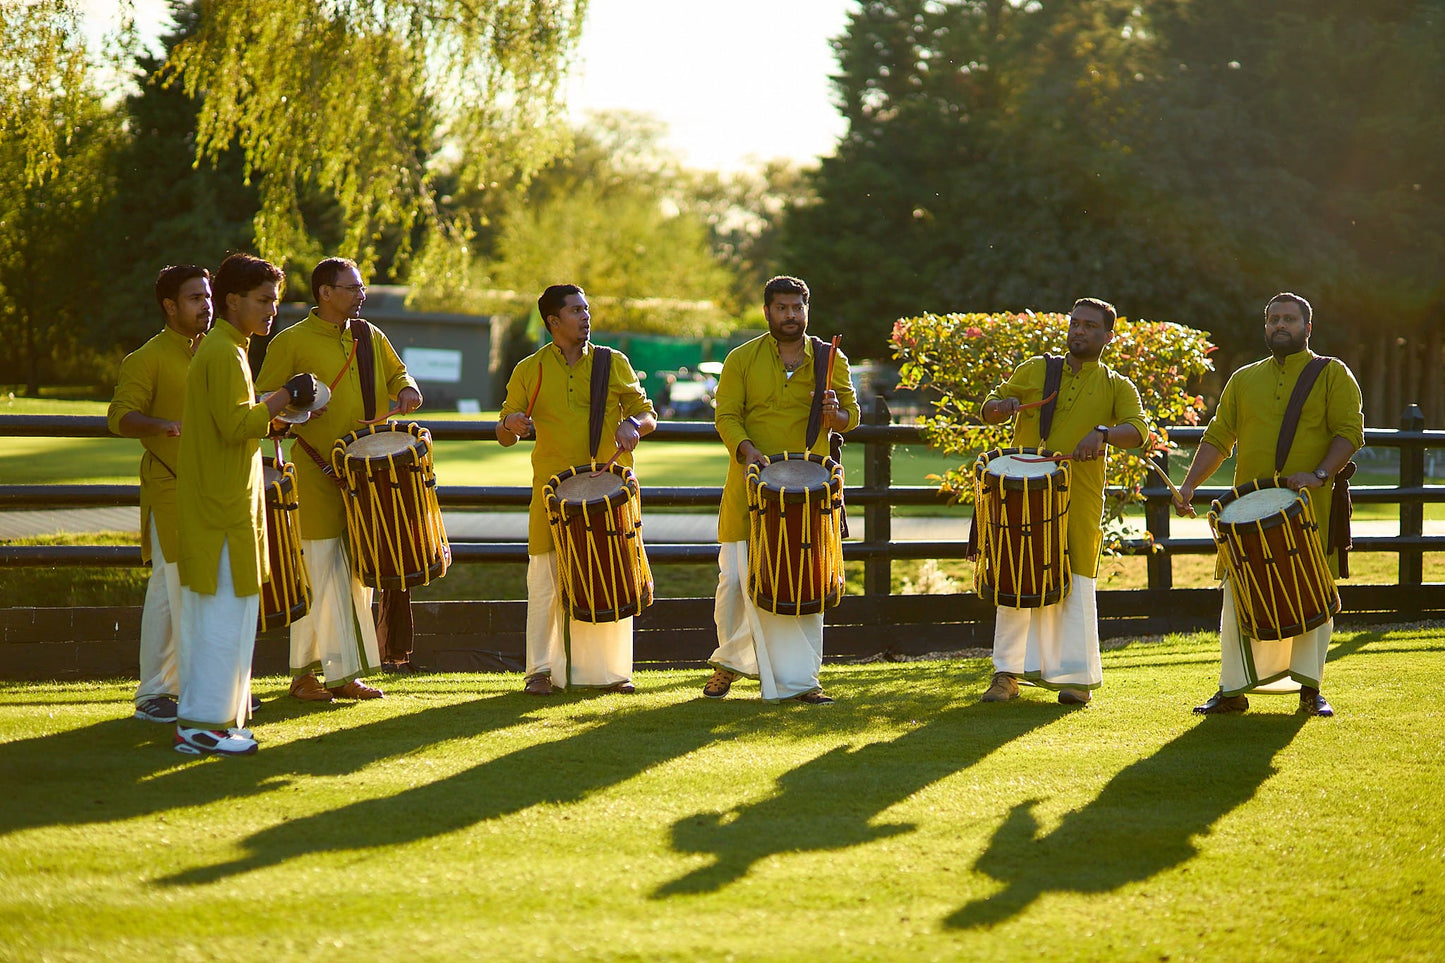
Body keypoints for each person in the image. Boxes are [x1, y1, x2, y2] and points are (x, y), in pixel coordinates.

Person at [1175, 292, 1363, 717]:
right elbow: (1218, 438)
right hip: (1247, 512)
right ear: (1265, 327)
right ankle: (1232, 689)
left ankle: (1310, 691)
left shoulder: (1332, 374)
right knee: (1238, 596)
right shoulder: (1243, 379)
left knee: (1311, 595)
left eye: (1290, 319)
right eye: (1273, 319)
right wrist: (1188, 486)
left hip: (1308, 508)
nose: (1280, 325)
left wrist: (1318, 475)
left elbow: (1350, 432)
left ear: (1307, 327)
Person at [256, 257, 421, 700]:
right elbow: (265, 403)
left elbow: (397, 373)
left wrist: (405, 388)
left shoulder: (370, 336)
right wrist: (297, 410)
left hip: (366, 476)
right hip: (313, 472)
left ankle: (346, 676)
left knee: (354, 576)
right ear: (325, 292)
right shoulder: (290, 341)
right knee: (317, 571)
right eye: (352, 288)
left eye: (361, 287)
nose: (361, 295)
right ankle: (305, 675)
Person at [174, 253, 315, 755]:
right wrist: (283, 396)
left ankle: (217, 721)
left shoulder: (229, 348)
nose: (272, 309)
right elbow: (237, 426)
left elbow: (235, 424)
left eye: (275, 300)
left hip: (228, 507)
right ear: (232, 301)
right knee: (218, 621)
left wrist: (277, 405)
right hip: (218, 513)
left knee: (230, 620)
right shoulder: (223, 352)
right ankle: (200, 727)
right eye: (263, 300)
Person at [977, 298, 1148, 706]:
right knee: (1015, 575)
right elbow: (990, 407)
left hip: (1080, 497)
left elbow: (1138, 430)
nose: (1079, 331)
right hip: (1021, 495)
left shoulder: (1116, 386)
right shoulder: (1037, 369)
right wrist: (1001, 408)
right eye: (1075, 323)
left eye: (1090, 326)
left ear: (1108, 336)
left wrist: (1104, 433)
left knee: (1076, 579)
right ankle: (1006, 675)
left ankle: (1076, 679)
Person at [702, 275, 859, 704]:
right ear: (768, 311)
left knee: (801, 584)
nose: (791, 316)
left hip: (808, 497)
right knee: (735, 581)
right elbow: (727, 415)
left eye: (798, 308)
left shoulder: (830, 359)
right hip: (749, 487)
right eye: (783, 308)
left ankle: (802, 681)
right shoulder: (741, 359)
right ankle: (729, 665)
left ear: (807, 310)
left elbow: (853, 415)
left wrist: (836, 415)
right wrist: (747, 450)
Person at [497, 284, 656, 695]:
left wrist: (633, 425)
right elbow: (503, 431)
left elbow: (646, 413)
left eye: (587, 309)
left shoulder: (612, 362)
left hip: (606, 493)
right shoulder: (529, 369)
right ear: (553, 322)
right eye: (575, 311)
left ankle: (610, 673)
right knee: (546, 581)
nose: (586, 317)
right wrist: (512, 424)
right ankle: (539, 671)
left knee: (610, 574)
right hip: (550, 493)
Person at [107, 265, 212, 724]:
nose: (206, 305)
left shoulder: (219, 351)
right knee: (174, 589)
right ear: (170, 306)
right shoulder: (146, 358)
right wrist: (164, 426)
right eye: (194, 298)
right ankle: (156, 694)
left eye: (208, 296)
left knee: (190, 591)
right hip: (168, 485)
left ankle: (191, 689)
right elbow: (120, 416)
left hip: (213, 487)